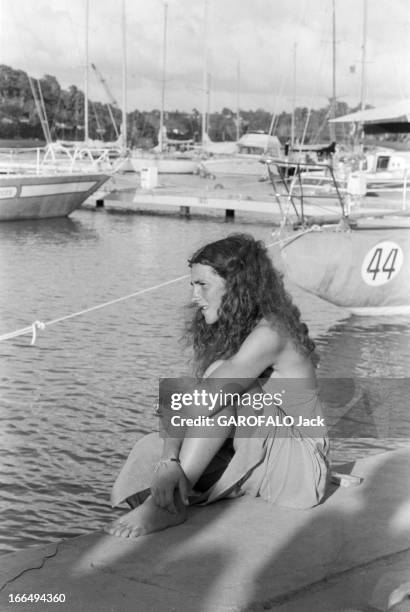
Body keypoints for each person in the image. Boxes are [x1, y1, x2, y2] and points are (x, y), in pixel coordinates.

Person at [106, 234, 329, 539]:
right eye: (192, 285)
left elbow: (203, 400)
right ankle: (164, 500)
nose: (195, 296)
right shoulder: (237, 329)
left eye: (203, 285)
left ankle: (168, 507)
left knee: (218, 382)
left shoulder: (272, 333)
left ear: (237, 286)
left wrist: (172, 452)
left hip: (297, 470)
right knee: (150, 449)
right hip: (259, 452)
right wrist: (169, 457)